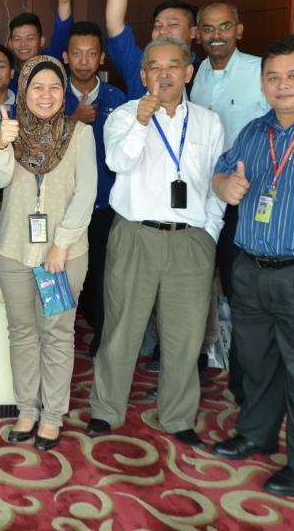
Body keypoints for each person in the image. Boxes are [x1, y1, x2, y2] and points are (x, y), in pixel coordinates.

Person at [211, 35, 294, 497]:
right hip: (252, 269)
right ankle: (257, 434)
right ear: (262, 83)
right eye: (273, 77)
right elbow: (221, 170)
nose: (282, 85)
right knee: (257, 363)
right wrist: (223, 185)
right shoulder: (255, 131)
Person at [86, 38, 224, 449]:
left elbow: (214, 184)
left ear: (188, 72)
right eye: (155, 67)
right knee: (121, 329)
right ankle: (106, 409)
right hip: (136, 235)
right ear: (143, 75)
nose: (164, 74)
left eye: (173, 66)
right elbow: (118, 162)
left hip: (190, 241)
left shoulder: (208, 122)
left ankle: (178, 415)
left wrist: (209, 234)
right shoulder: (124, 115)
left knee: (185, 336)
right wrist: (142, 122)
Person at [0, 55, 96, 451]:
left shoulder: (80, 133)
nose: (46, 94)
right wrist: (2, 143)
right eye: (37, 87)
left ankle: (52, 415)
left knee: (56, 333)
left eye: (54, 87)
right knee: (22, 332)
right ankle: (27, 409)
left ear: (63, 92)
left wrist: (61, 243)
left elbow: (86, 193)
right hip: (14, 250)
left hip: (63, 254)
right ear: (24, 91)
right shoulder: (7, 130)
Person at [190, 1, 268, 403]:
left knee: (242, 296)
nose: (216, 35)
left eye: (224, 27)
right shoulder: (197, 74)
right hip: (203, 201)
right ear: (198, 34)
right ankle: (195, 372)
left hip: (246, 204)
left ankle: (244, 386)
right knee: (199, 289)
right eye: (208, 28)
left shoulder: (260, 72)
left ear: (239, 29)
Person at [61, 22, 127, 356]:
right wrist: (73, 119)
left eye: (91, 54)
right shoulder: (52, 96)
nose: (84, 61)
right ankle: (59, 343)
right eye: (77, 53)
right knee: (64, 277)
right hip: (64, 207)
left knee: (105, 277)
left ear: (102, 57)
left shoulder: (118, 99)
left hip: (105, 206)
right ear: (65, 57)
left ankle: (101, 344)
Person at [105, 0, 198, 99]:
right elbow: (114, 24)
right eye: (157, 25)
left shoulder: (206, 70)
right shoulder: (139, 64)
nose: (163, 30)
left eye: (173, 24)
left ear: (193, 32)